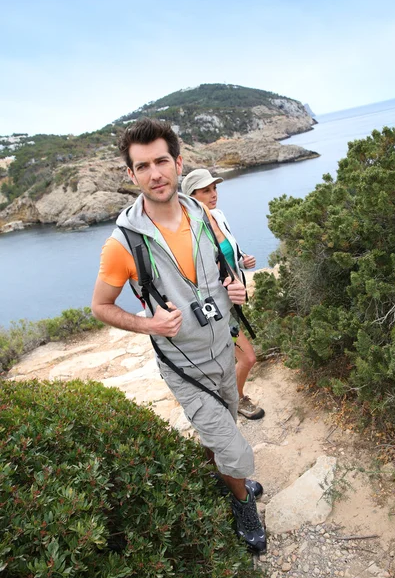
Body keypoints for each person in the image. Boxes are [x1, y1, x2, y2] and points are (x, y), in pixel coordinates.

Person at [91, 118, 266, 553]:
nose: (155, 173)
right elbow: (100, 306)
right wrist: (148, 324)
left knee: (218, 434)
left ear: (178, 162)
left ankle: (226, 478)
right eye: (143, 165)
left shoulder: (203, 214)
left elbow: (222, 269)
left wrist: (236, 286)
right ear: (130, 175)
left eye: (162, 161)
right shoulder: (122, 244)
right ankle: (244, 503)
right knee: (234, 447)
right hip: (183, 366)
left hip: (223, 348)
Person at [181, 169, 265, 421]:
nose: (213, 194)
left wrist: (242, 259)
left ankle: (224, 397)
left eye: (214, 188)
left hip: (231, 302)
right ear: (191, 196)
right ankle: (236, 399)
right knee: (248, 358)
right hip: (216, 308)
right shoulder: (191, 230)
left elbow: (227, 251)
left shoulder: (218, 215)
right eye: (206, 190)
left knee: (227, 358)